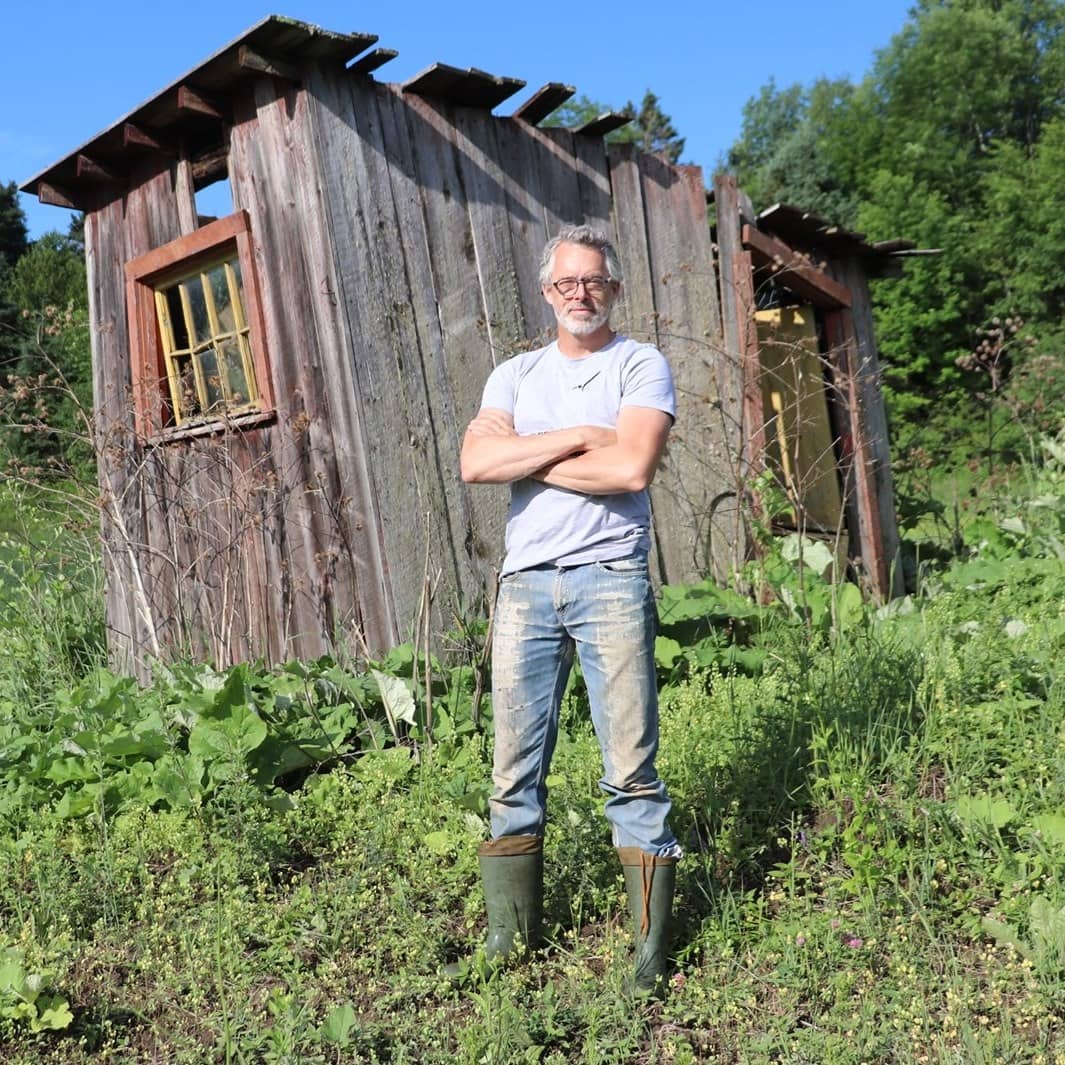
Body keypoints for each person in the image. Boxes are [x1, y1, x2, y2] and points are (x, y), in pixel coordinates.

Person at [459, 224, 682, 994]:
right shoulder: (514, 374)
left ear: (612, 289)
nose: (578, 294)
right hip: (525, 586)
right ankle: (509, 939)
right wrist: (581, 437)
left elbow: (630, 467)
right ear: (545, 292)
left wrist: (535, 452)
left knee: (630, 770)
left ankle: (649, 955)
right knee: (512, 770)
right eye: (564, 284)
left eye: (592, 282)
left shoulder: (639, 363)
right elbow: (475, 461)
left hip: (610, 579)